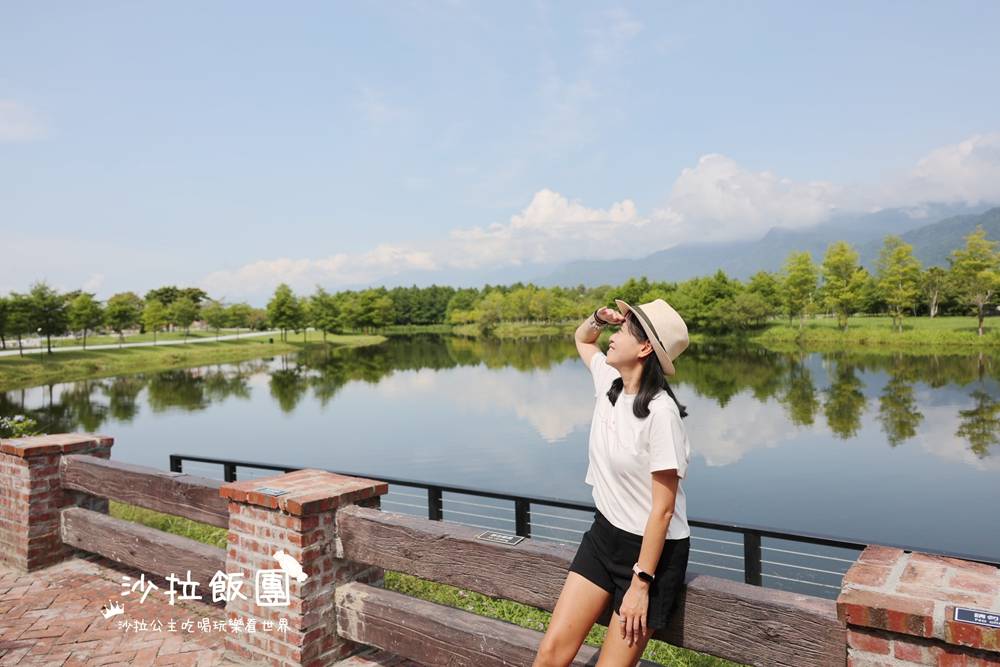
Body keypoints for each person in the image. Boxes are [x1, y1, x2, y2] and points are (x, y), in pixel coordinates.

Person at [533, 298, 692, 667]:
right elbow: (583, 340)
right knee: (550, 654)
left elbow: (664, 510)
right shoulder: (610, 381)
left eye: (622, 330)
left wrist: (641, 584)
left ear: (645, 347)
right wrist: (597, 319)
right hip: (604, 536)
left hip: (652, 554)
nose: (614, 335)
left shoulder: (661, 414)